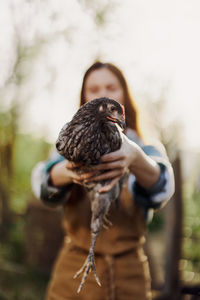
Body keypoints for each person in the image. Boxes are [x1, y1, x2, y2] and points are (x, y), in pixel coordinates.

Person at [31, 62, 175, 300]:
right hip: (74, 273)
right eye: (94, 89)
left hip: (129, 275)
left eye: (111, 86)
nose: (103, 93)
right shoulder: (70, 140)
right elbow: (41, 183)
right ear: (85, 97)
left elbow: (163, 185)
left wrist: (136, 158)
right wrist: (67, 171)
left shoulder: (145, 146)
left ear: (124, 95)